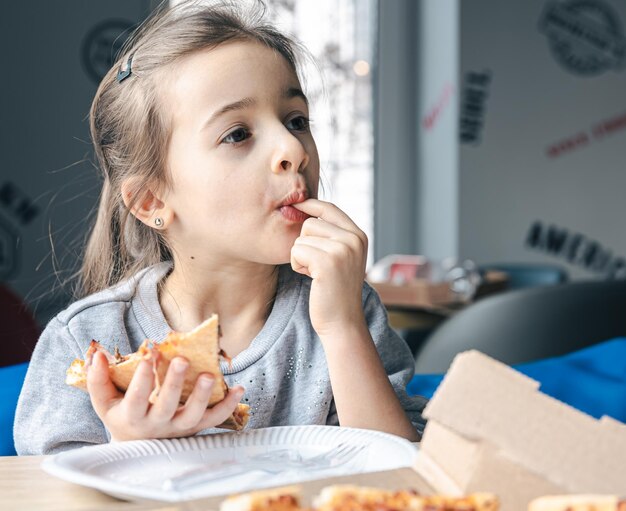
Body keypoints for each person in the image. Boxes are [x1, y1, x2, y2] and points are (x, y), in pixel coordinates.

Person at [14, 0, 427, 455]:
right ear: (151, 200)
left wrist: (344, 327)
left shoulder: (344, 308)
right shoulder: (87, 342)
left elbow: (405, 481)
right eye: (237, 134)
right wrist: (128, 449)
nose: (293, 147)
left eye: (296, 120)